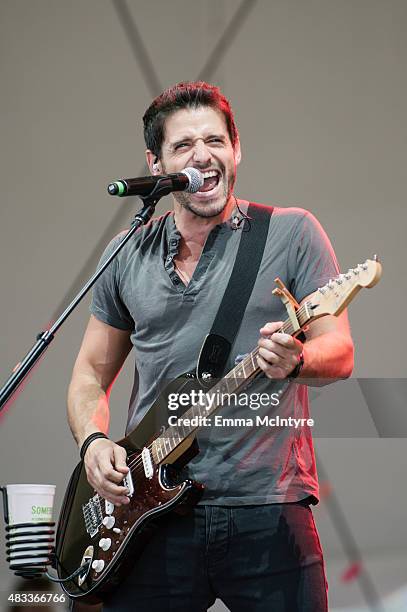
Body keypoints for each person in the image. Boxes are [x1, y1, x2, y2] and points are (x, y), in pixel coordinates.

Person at [67, 81, 354, 611]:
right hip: (152, 515)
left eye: (216, 141)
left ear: (236, 149)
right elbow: (88, 373)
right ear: (156, 164)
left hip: (268, 508)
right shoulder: (128, 251)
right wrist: (93, 443)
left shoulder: (291, 233)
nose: (203, 155)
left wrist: (298, 361)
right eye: (184, 146)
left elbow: (338, 352)